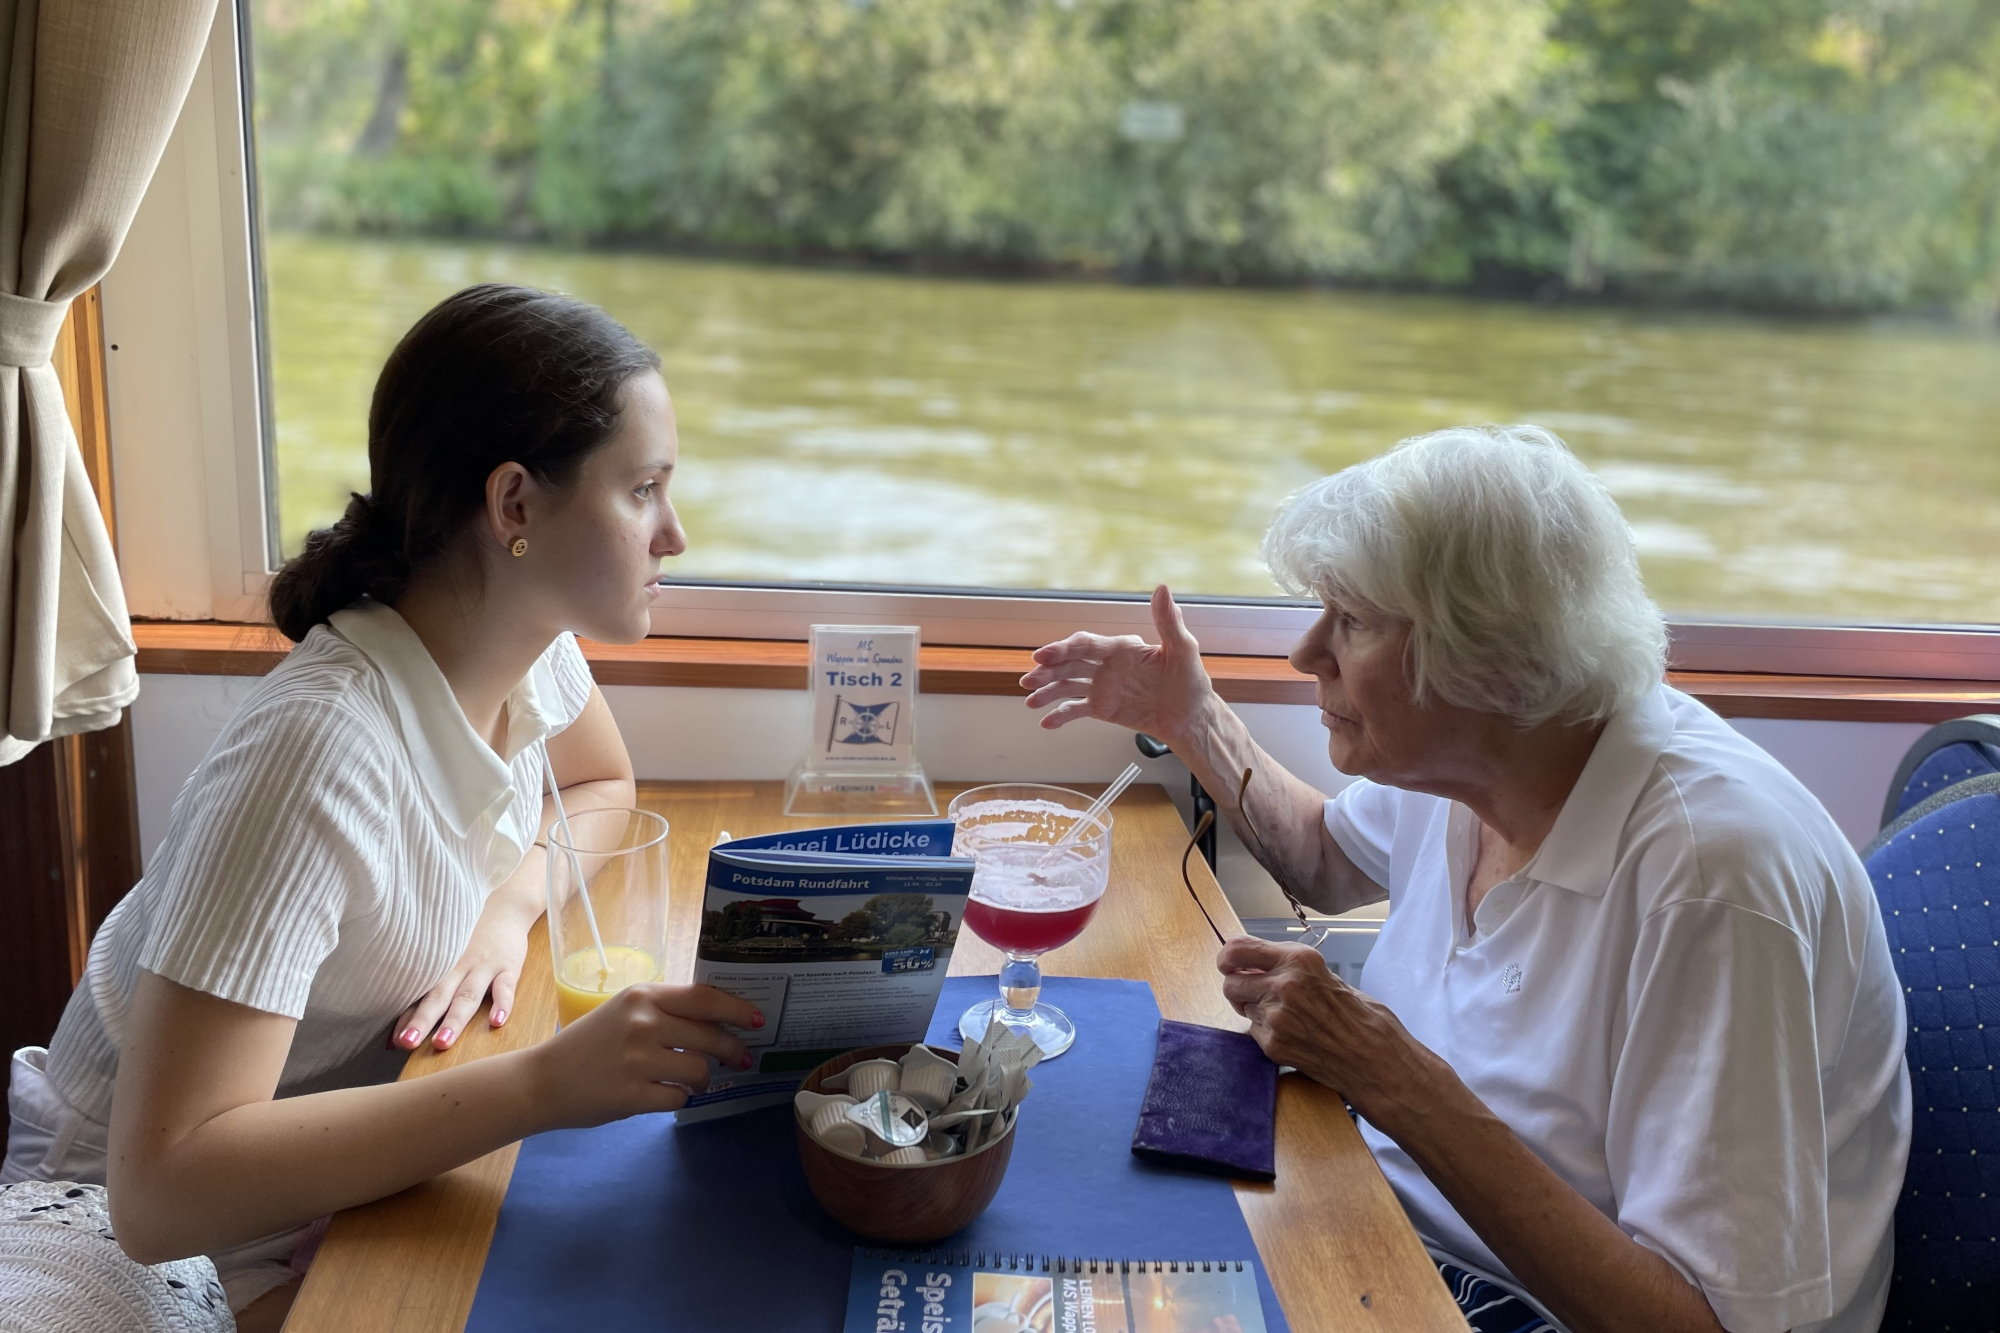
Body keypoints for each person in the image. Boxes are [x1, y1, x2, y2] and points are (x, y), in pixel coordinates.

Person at [1021, 426, 1910, 1333]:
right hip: (1396, 1225)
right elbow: (1325, 859)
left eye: (1354, 621)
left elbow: (1701, 1324)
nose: (1305, 653)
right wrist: (1193, 718)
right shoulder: (1481, 760)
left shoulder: (1713, 883)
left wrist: (1397, 1078)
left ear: (1487, 655)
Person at [1, 285, 762, 1329]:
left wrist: (506, 906)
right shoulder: (317, 752)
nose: (673, 533)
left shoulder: (524, 650)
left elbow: (597, 785)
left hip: (332, 1174)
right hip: (137, 1227)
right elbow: (160, 1191)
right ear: (513, 507)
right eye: (642, 490)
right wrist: (544, 1084)